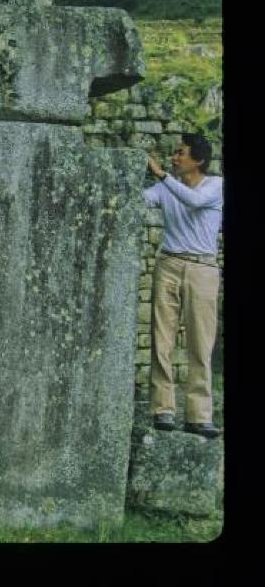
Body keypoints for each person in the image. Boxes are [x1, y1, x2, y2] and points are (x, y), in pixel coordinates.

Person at [143, 133, 222, 438]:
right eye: (174, 153)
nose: (174, 157)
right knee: (161, 340)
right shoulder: (163, 189)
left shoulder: (216, 186)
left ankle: (199, 416)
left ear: (198, 160)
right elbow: (138, 200)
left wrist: (161, 174)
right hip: (169, 264)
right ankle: (163, 409)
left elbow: (194, 201)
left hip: (203, 268)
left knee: (201, 344)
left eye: (181, 153)